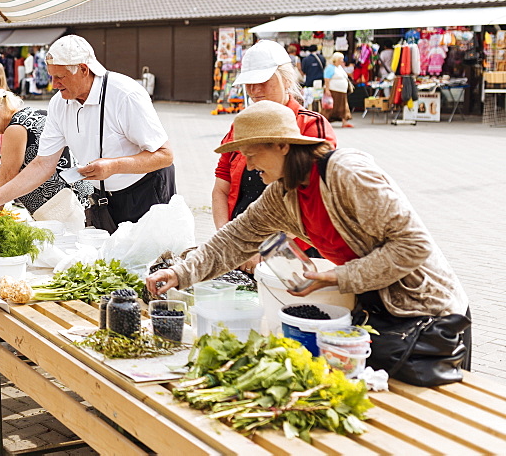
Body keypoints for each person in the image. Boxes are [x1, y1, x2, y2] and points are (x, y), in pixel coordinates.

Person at [146, 100, 470, 373]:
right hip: (383, 316)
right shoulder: (283, 193)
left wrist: (337, 277)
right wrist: (180, 273)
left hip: (429, 314)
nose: (247, 165)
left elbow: (413, 246)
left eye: (252, 153)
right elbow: (235, 238)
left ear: (283, 145)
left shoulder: (347, 173)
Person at [0, 35, 174, 232]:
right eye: (51, 76)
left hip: (145, 192)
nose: (54, 84)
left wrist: (114, 165)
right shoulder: (59, 103)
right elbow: (42, 165)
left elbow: (165, 156)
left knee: (151, 262)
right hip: (103, 197)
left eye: (59, 77)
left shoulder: (125, 94)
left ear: (84, 70)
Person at [214, 40, 337, 273]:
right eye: (249, 83)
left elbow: (312, 201)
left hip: (295, 253)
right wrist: (226, 241)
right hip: (242, 249)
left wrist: (266, 248)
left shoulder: (310, 126)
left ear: (287, 80)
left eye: (263, 81)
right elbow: (221, 187)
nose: (254, 90)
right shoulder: (241, 126)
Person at [0, 88, 92, 231]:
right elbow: (29, 171)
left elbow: (8, 177)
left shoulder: (15, 129)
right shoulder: (35, 113)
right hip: (81, 196)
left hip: (60, 206)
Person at [325, 51, 354, 128]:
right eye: (341, 59)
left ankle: (344, 121)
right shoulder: (330, 68)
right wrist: (327, 89)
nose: (342, 61)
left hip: (342, 91)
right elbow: (327, 79)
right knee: (331, 106)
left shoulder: (340, 68)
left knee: (343, 106)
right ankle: (325, 121)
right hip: (334, 90)